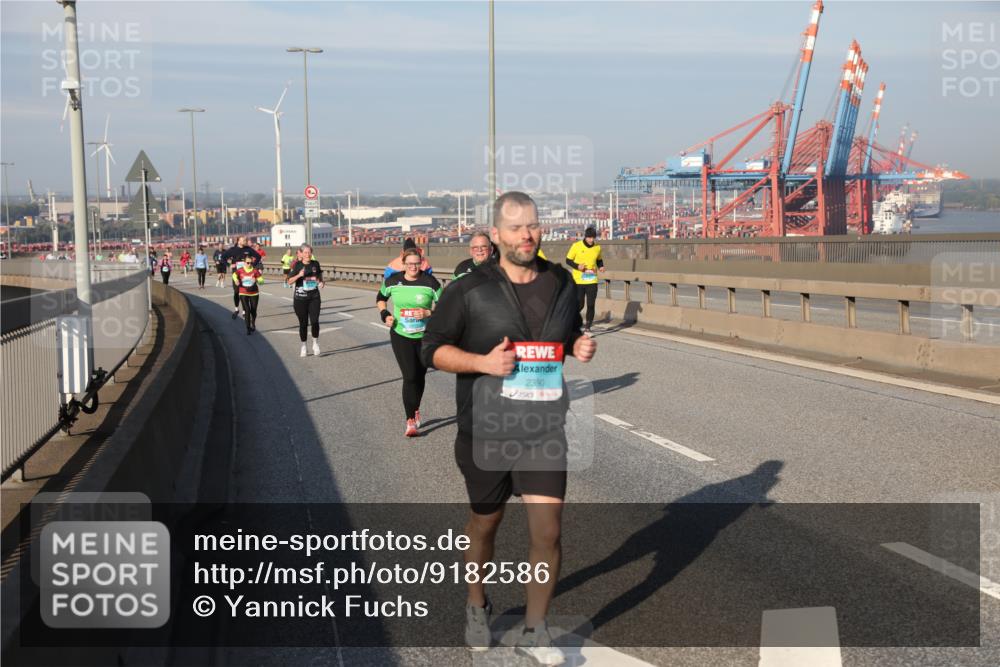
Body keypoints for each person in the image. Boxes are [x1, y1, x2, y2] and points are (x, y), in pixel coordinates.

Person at [421, 191, 596, 663]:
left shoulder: (562, 281)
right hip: (486, 432)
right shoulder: (467, 290)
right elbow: (431, 349)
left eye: (534, 225)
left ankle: (536, 629)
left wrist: (578, 344)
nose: (527, 235)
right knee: (485, 524)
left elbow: (569, 329)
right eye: (517, 227)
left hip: (543, 430)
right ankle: (476, 601)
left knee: (548, 532)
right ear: (496, 235)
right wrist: (481, 361)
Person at [377, 247, 441, 437]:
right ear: (403, 264)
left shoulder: (430, 282)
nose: (413, 267)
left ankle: (415, 407)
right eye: (409, 263)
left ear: (422, 263)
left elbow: (447, 305)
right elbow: (381, 298)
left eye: (417, 263)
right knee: (410, 376)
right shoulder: (392, 281)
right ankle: (410, 420)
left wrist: (429, 312)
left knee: (420, 376)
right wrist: (385, 314)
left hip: (424, 336)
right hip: (400, 335)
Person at [287, 244, 325, 357]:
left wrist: (322, 282)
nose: (307, 255)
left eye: (309, 252)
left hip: (314, 297)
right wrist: (299, 275)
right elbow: (289, 281)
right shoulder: (297, 265)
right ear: (301, 254)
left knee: (314, 321)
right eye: (305, 253)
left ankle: (315, 343)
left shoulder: (315, 264)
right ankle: (303, 346)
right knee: (303, 324)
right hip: (300, 299)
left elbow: (319, 277)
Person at [565, 226, 605, 333]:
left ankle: (588, 327)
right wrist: (577, 266)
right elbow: (568, 260)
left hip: (592, 280)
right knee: (580, 304)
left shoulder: (597, 247)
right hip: (579, 281)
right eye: (589, 238)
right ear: (585, 237)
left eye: (593, 238)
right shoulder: (576, 246)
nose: (591, 240)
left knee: (591, 304)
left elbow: (599, 259)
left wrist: (601, 266)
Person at [221, 237, 262, 319]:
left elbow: (258, 256)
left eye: (246, 240)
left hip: (247, 274)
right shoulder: (233, 250)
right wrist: (229, 265)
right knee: (236, 291)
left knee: (245, 292)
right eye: (243, 240)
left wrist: (252, 265)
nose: (245, 241)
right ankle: (236, 309)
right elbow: (222, 257)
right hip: (236, 274)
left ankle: (244, 310)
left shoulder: (248, 249)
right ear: (239, 241)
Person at [232, 250, 263, 335]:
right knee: (247, 310)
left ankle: (253, 323)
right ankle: (248, 328)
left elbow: (262, 281)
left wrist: (256, 279)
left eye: (250, 263)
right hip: (243, 292)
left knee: (253, 310)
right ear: (244, 262)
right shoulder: (240, 270)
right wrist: (236, 280)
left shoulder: (255, 271)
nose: (249, 264)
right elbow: (234, 275)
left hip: (254, 293)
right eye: (247, 263)